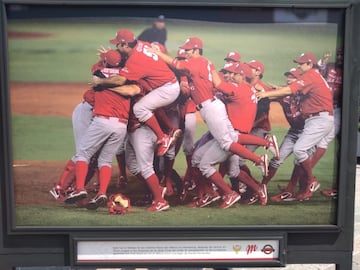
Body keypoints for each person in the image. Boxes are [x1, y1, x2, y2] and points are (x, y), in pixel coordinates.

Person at [150, 36, 269, 176]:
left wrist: (158, 54)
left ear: (196, 50)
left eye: (188, 50)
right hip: (211, 106)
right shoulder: (204, 62)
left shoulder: (196, 62)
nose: (186, 52)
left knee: (225, 144)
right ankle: (266, 145)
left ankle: (259, 160)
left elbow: (177, 65)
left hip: (210, 107)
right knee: (231, 138)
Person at [256, 52, 334, 201]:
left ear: (309, 65)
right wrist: (266, 92)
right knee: (283, 158)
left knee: (299, 152)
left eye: (301, 64)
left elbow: (288, 90)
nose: (290, 78)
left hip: (318, 121)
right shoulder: (303, 86)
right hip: (305, 126)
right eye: (289, 76)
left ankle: (310, 181)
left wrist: (267, 94)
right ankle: (271, 187)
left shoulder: (309, 78)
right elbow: (282, 93)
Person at [91, 29, 181, 157]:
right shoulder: (141, 43)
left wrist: (100, 82)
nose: (116, 46)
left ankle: (163, 137)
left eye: (118, 44)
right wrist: (110, 56)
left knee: (139, 108)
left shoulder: (135, 60)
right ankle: (171, 130)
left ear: (126, 45)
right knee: (148, 101)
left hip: (166, 89)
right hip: (166, 83)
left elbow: (119, 80)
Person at [64, 52, 131, 210]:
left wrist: (104, 58)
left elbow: (96, 69)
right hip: (121, 126)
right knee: (105, 161)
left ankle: (80, 189)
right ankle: (101, 192)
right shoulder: (126, 76)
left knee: (83, 154)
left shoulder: (99, 73)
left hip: (103, 121)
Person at [317, 49, 343, 199]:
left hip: (339, 111)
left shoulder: (350, 70)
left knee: (325, 141)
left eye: (342, 55)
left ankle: (337, 189)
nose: (339, 58)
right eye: (338, 55)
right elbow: (318, 75)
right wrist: (323, 63)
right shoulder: (331, 66)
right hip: (326, 108)